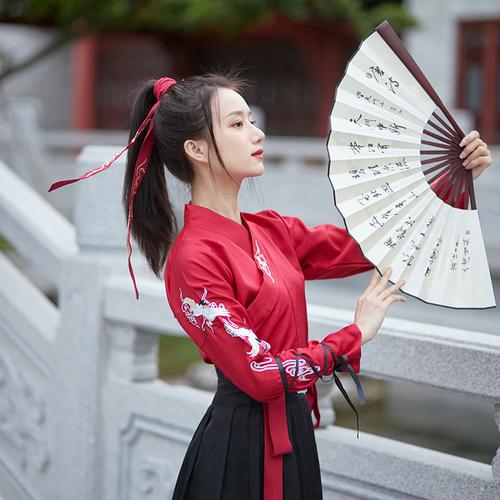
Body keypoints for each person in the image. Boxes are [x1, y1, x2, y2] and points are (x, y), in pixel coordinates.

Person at [48, 71, 492, 500]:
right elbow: (259, 376)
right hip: (239, 450)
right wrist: (352, 335)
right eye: (238, 124)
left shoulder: (271, 230)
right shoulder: (194, 259)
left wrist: (450, 181)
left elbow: (363, 246)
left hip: (295, 430)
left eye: (252, 121)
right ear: (197, 149)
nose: (256, 134)